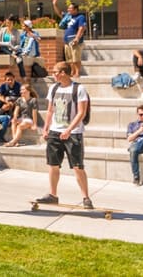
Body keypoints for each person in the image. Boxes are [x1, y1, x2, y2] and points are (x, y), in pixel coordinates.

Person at [35, 61, 94, 209]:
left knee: (77, 167)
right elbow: (50, 110)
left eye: (55, 72)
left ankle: (86, 198)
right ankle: (53, 195)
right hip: (55, 131)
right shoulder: (54, 88)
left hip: (73, 133)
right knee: (53, 165)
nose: (53, 74)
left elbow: (82, 112)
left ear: (63, 73)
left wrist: (68, 130)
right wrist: (46, 128)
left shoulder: (79, 88)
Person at [51, 0, 86, 78]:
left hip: (75, 40)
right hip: (67, 41)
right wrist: (55, 5)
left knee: (75, 58)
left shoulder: (80, 17)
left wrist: (77, 38)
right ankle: (72, 71)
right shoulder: (68, 16)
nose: (68, 9)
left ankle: (77, 72)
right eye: (68, 8)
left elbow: (82, 28)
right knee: (69, 59)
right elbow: (59, 13)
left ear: (75, 9)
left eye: (70, 8)